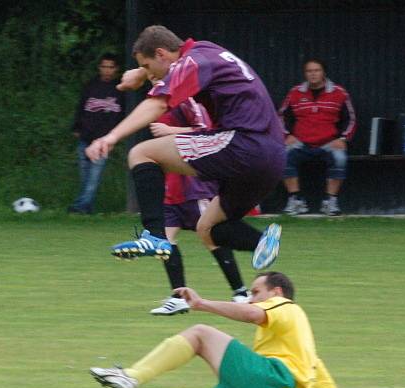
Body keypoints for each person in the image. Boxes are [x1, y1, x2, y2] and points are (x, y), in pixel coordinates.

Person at [85, 25, 284, 270]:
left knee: (142, 153)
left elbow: (158, 104)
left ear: (160, 54)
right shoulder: (206, 51)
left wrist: (111, 137)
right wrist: (142, 72)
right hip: (273, 158)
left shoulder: (192, 62)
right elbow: (169, 66)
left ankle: (155, 236)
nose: (150, 75)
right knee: (207, 228)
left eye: (148, 66)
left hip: (243, 144)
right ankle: (263, 241)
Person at [90, 272, 338, 388]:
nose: (251, 299)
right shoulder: (305, 352)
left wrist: (201, 304)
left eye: (255, 293)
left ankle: (131, 376)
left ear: (277, 292)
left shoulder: (286, 306)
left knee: (200, 333)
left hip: (271, 379)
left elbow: (252, 314)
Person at [148, 99, 252, 315]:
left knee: (211, 237)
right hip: (172, 187)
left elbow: (207, 131)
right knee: (164, 242)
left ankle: (241, 292)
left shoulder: (187, 102)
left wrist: (170, 130)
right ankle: (179, 297)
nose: (155, 81)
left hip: (194, 186)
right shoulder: (158, 104)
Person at [279, 59, 356, 216]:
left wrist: (342, 138)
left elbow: (351, 119)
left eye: (317, 70)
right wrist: (287, 135)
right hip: (300, 142)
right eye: (309, 71)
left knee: (340, 158)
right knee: (282, 155)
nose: (313, 74)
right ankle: (296, 201)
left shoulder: (339, 92)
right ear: (305, 74)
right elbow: (280, 116)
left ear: (323, 73)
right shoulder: (295, 92)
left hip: (329, 142)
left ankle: (330, 202)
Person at [68, 53, 125, 214]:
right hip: (86, 136)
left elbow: (122, 115)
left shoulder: (120, 89)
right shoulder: (90, 86)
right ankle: (86, 206)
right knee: (85, 175)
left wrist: (115, 135)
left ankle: (80, 207)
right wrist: (77, 128)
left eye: (111, 67)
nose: (107, 71)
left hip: (103, 140)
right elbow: (81, 107)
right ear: (99, 68)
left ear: (116, 69)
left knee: (94, 176)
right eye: (104, 67)